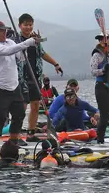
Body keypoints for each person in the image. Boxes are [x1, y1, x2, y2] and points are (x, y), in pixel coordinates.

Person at [0, 20, 37, 151]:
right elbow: (9, 51)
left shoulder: (11, 42)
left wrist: (26, 47)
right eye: (1, 31)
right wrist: (26, 42)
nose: (5, 33)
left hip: (14, 86)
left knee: (19, 114)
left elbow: (20, 57)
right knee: (0, 117)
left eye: (5, 30)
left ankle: (13, 142)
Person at [17, 13, 62, 142]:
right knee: (22, 107)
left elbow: (43, 54)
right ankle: (17, 134)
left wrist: (56, 64)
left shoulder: (36, 40)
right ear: (20, 25)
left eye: (30, 25)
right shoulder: (16, 40)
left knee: (35, 106)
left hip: (36, 76)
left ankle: (30, 134)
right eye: (25, 25)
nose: (28, 27)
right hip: (22, 77)